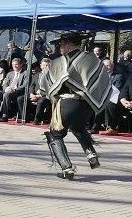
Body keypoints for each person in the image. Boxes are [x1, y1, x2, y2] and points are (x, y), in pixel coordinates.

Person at [38, 32, 111, 180]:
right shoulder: (93, 59)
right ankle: (91, 155)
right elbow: (103, 80)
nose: (59, 48)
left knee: (55, 134)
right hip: (87, 104)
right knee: (78, 128)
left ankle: (67, 168)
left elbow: (46, 83)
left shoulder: (60, 62)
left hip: (67, 103)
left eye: (61, 45)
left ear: (68, 44)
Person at [94, 59, 129, 135]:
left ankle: (111, 127)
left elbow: (117, 90)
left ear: (112, 66)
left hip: (114, 98)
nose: (106, 67)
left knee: (108, 103)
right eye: (104, 66)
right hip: (99, 97)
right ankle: (92, 125)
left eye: (108, 65)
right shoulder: (98, 76)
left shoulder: (119, 77)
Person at [0, 57, 28, 122]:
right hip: (8, 91)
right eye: (13, 64)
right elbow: (5, 84)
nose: (15, 66)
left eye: (16, 64)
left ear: (21, 64)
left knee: (6, 95)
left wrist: (14, 90)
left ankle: (5, 115)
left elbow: (25, 85)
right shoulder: (10, 73)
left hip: (18, 92)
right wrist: (6, 88)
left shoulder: (25, 73)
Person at [19, 58, 52, 124]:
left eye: (46, 65)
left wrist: (40, 96)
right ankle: (25, 117)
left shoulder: (53, 76)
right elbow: (31, 86)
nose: (45, 67)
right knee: (21, 99)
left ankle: (37, 119)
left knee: (41, 101)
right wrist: (31, 94)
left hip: (45, 96)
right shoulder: (36, 75)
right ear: (40, 66)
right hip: (34, 94)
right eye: (43, 65)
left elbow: (51, 88)